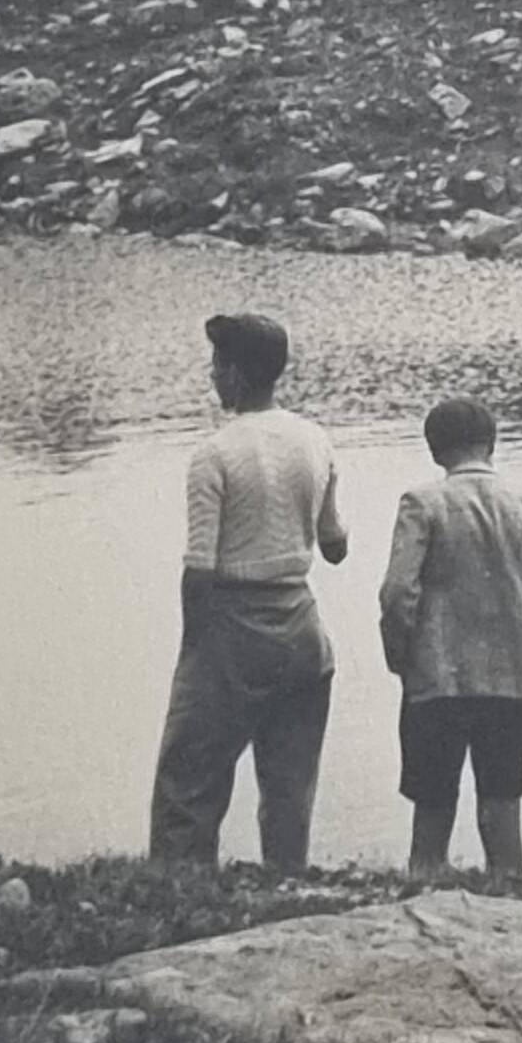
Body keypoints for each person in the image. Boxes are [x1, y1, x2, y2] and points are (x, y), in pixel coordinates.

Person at [149, 312, 348, 871]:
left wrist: (195, 649)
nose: (212, 376)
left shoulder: (214, 454)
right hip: (303, 628)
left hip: (237, 627)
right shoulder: (315, 438)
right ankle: (285, 890)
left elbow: (200, 568)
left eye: (217, 365)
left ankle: (178, 895)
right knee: (289, 788)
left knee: (187, 782)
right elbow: (335, 544)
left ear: (235, 374)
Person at [379, 396, 522, 875]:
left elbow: (396, 593)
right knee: (502, 802)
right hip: (514, 677)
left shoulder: (422, 503)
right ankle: (510, 900)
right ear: (492, 444)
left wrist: (399, 656)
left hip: (438, 677)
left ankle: (424, 900)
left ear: (434, 451)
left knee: (431, 809)